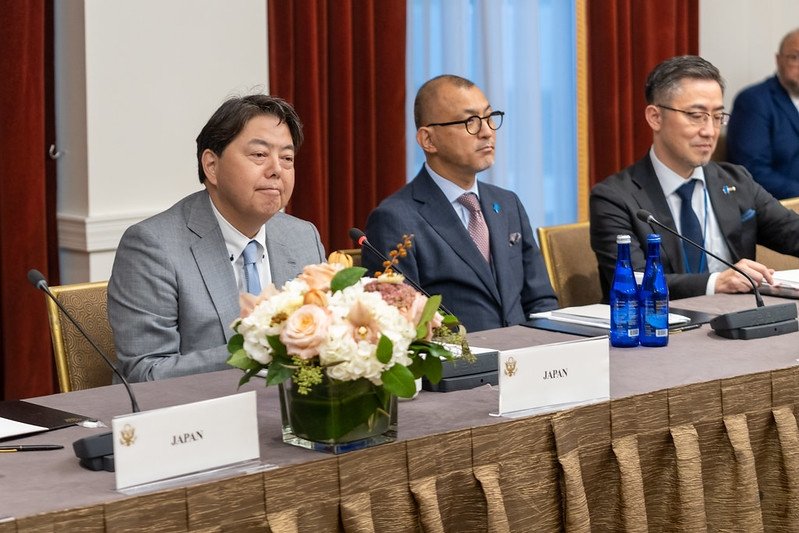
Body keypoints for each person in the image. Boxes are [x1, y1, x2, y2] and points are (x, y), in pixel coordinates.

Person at [108, 95, 325, 381]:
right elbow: (146, 373)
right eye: (259, 155)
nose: (276, 170)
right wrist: (260, 349)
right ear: (211, 166)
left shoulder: (302, 236)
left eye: (287, 158)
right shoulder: (153, 246)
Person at [590, 56, 799, 302]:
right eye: (696, 115)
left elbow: (793, 233)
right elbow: (631, 279)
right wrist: (715, 282)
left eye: (717, 116)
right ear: (655, 117)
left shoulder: (736, 181)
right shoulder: (614, 198)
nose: (709, 131)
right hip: (657, 330)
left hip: (736, 326)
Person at [363, 74, 558, 332]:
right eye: (471, 122)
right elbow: (399, 325)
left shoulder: (507, 203)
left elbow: (540, 300)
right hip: (459, 367)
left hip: (524, 362)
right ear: (428, 140)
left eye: (489, 117)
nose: (487, 131)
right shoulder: (395, 218)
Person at [727, 29, 799, 199]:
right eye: (795, 57)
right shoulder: (753, 101)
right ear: (778, 60)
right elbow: (752, 171)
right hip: (777, 209)